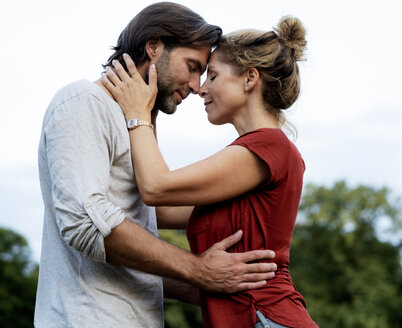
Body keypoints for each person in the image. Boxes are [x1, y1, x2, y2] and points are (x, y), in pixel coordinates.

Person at [35, 2, 277, 327]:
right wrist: (198, 269)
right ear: (154, 46)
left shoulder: (136, 124)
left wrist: (219, 280)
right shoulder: (83, 102)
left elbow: (141, 227)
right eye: (191, 66)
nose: (196, 85)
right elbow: (86, 223)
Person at [103, 16, 318, 328]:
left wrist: (138, 114)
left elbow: (155, 187)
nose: (201, 89)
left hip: (264, 317)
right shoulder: (252, 158)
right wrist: (151, 104)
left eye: (213, 76)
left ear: (249, 78)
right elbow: (157, 210)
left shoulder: (268, 146)